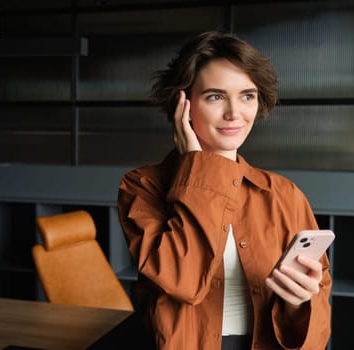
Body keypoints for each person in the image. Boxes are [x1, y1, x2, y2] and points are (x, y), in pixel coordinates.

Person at [117, 31, 332, 350]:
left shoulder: (284, 193)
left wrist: (298, 304)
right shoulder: (142, 186)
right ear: (183, 103)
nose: (235, 113)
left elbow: (319, 321)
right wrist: (197, 164)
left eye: (247, 95)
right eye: (215, 96)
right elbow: (182, 281)